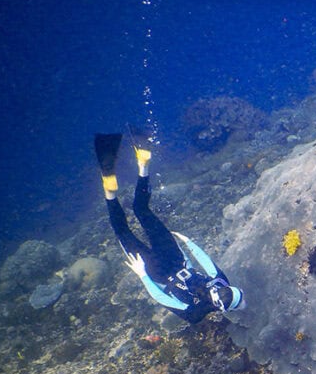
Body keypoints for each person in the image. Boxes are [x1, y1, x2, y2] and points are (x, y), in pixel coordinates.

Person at [94, 132, 244, 323]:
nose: (220, 289)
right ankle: (110, 194)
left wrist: (188, 243)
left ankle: (143, 166)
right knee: (122, 231)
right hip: (156, 271)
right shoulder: (195, 314)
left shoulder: (222, 282)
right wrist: (143, 275)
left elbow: (206, 263)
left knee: (142, 210)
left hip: (175, 257)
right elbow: (161, 297)